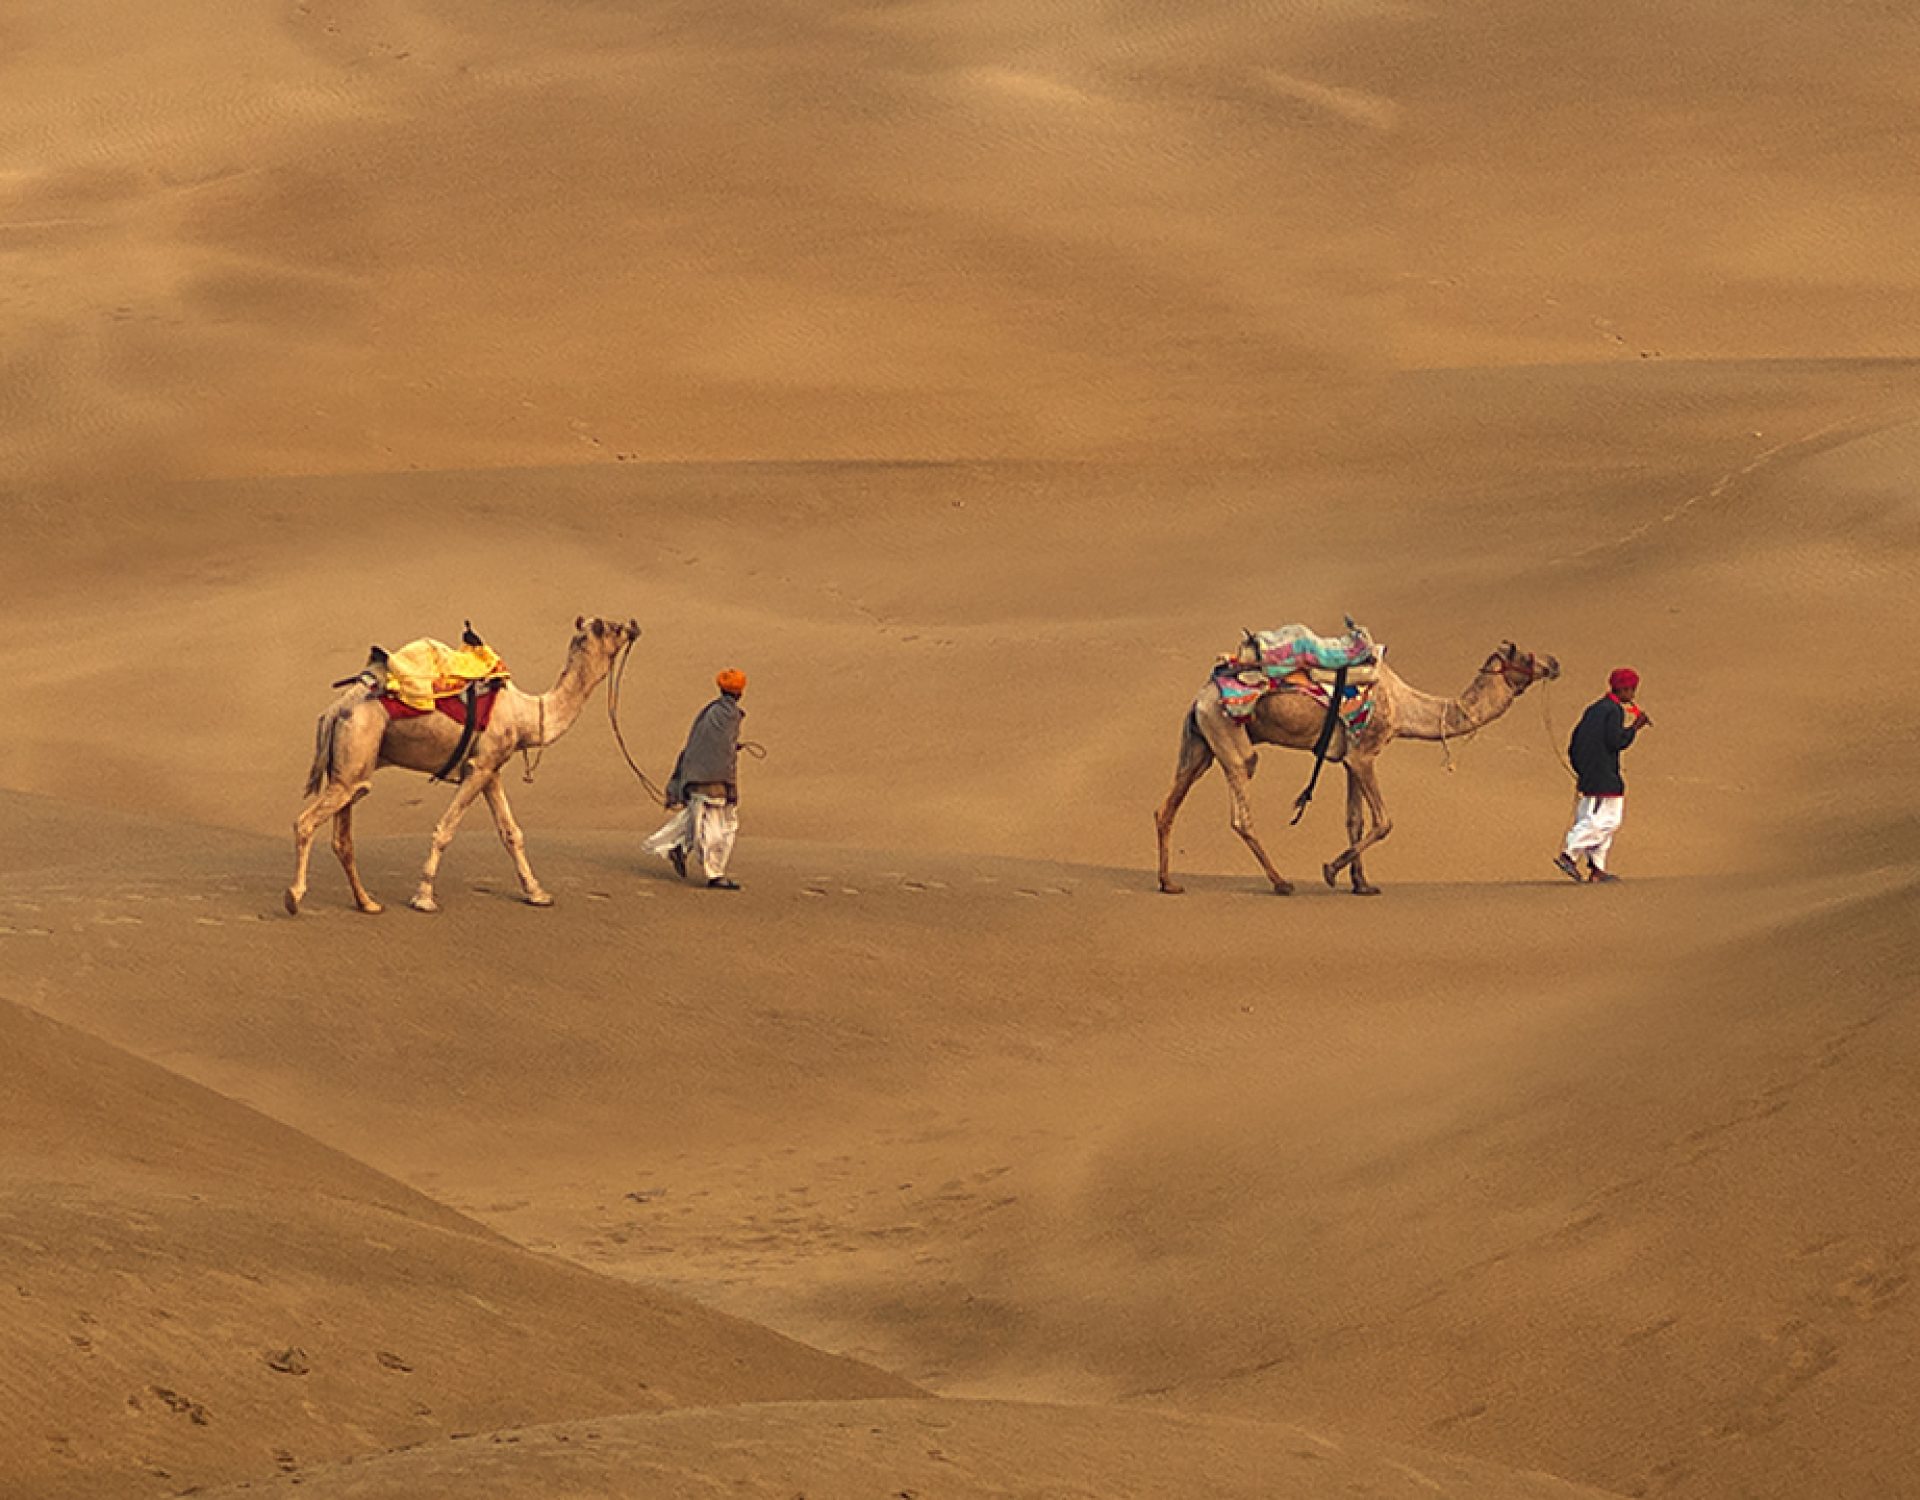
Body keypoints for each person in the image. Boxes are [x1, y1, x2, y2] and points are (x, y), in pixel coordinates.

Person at [644, 668, 747, 890]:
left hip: (696, 777)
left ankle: (678, 847)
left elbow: (698, 746)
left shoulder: (709, 713)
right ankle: (715, 874)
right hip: (713, 782)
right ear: (740, 693)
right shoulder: (728, 716)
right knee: (716, 830)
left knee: (696, 820)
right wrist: (731, 786)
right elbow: (724, 753)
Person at [1556, 667, 1651, 884]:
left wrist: (1582, 769)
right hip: (1603, 775)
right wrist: (1635, 727)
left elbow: (1575, 742)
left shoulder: (1594, 709)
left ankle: (1598, 869)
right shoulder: (1613, 711)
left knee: (1592, 817)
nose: (1633, 695)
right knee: (1608, 820)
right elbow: (1616, 742)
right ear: (1624, 689)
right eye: (1632, 690)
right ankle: (1569, 853)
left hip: (1590, 773)